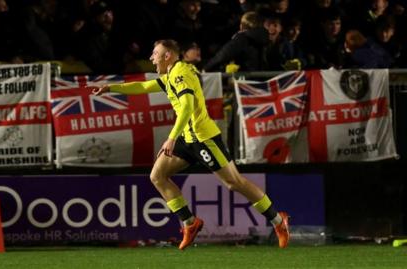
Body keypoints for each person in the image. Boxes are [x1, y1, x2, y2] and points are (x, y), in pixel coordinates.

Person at [91, 39, 290, 250]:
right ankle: (190, 222)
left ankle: (278, 221)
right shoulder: (170, 74)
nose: (151, 58)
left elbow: (186, 107)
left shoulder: (181, 74)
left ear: (167, 56)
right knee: (157, 175)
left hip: (203, 138)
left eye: (154, 53)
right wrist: (110, 88)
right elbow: (143, 85)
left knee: (234, 183)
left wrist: (171, 137)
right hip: (187, 138)